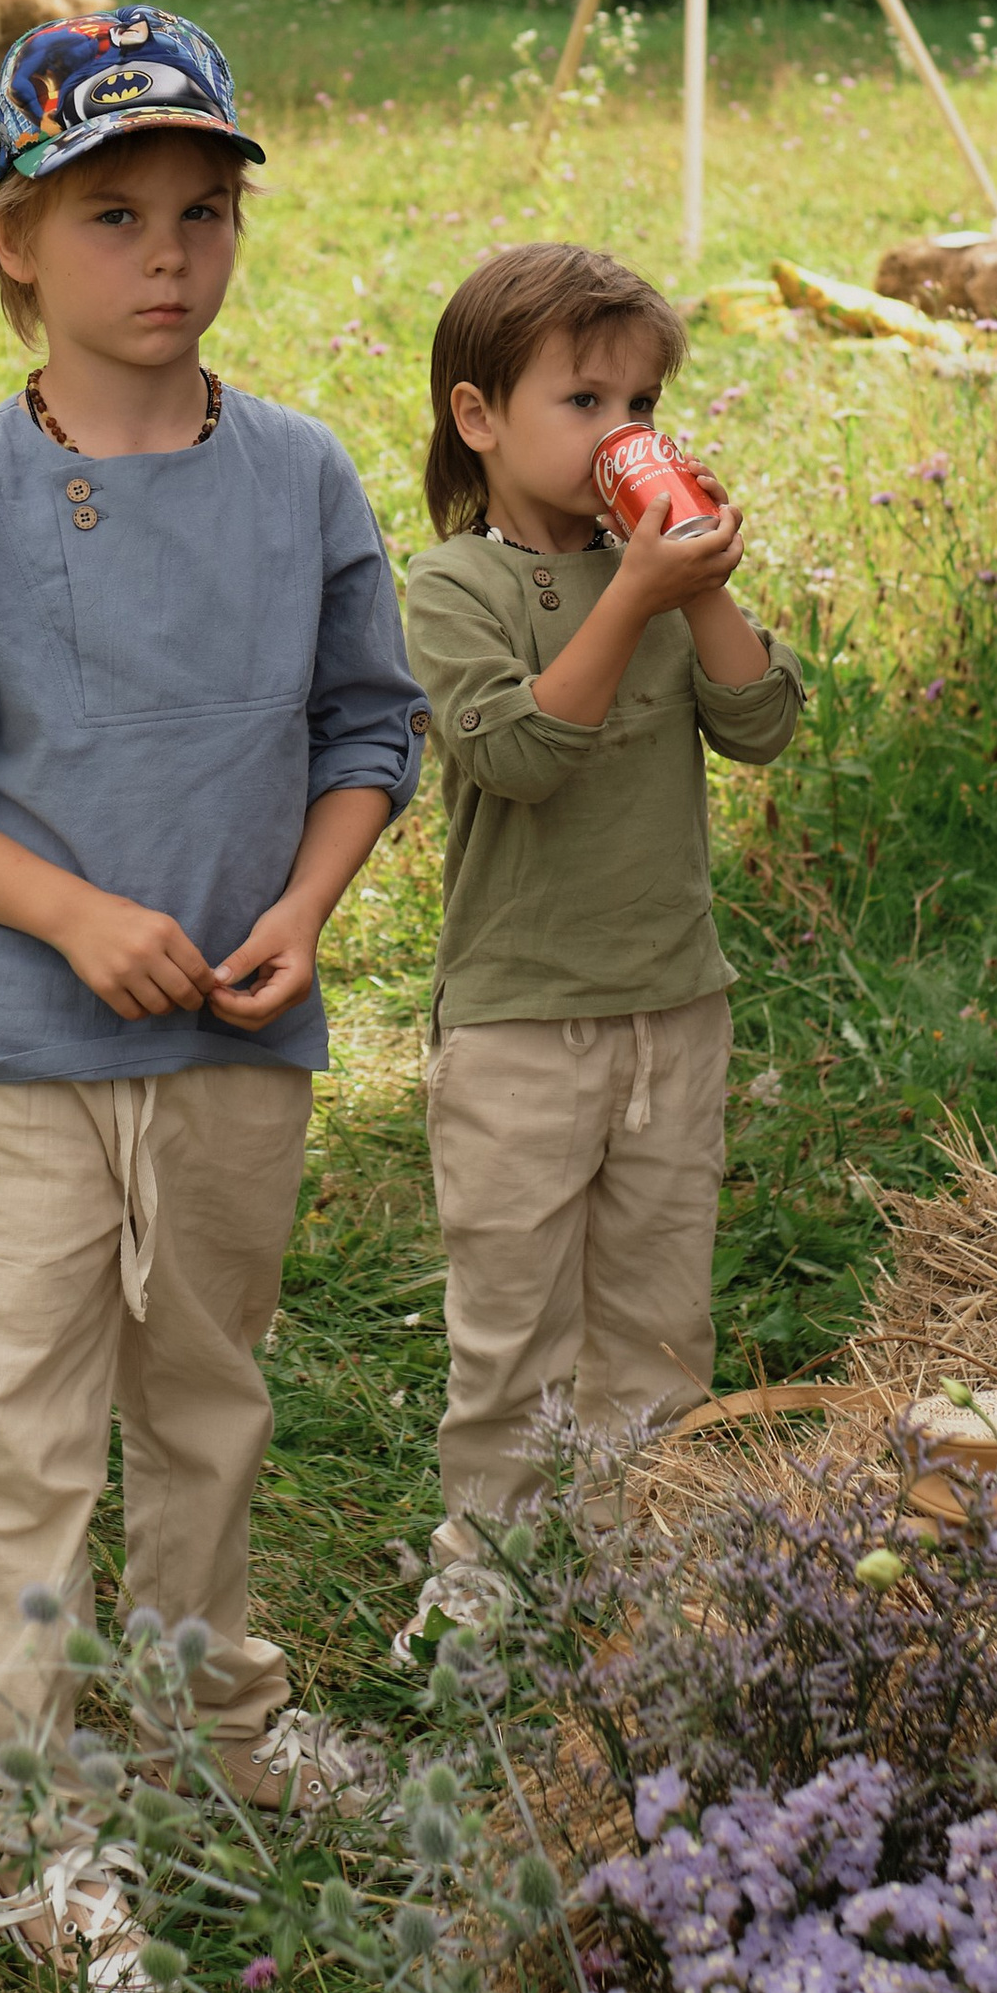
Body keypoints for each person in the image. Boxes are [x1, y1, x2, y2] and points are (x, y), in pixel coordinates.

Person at [0, 6, 426, 1993]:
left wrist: (309, 908)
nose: (164, 255)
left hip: (237, 1044)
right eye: (110, 215)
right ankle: (31, 1815)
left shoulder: (302, 476)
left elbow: (369, 728)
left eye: (199, 212)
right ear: (13, 240)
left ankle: (212, 1723)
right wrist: (73, 917)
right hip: (20, 1055)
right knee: (16, 1432)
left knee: (206, 1395)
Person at [396, 242, 807, 1646]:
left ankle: (641, 1571)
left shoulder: (661, 585)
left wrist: (695, 585)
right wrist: (631, 596)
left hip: (674, 1005)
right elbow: (518, 754)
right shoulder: (455, 586)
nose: (620, 432)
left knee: (657, 1318)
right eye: (583, 402)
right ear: (478, 418)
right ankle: (489, 1585)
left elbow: (762, 725)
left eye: (641, 405)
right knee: (514, 1330)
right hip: (519, 1026)